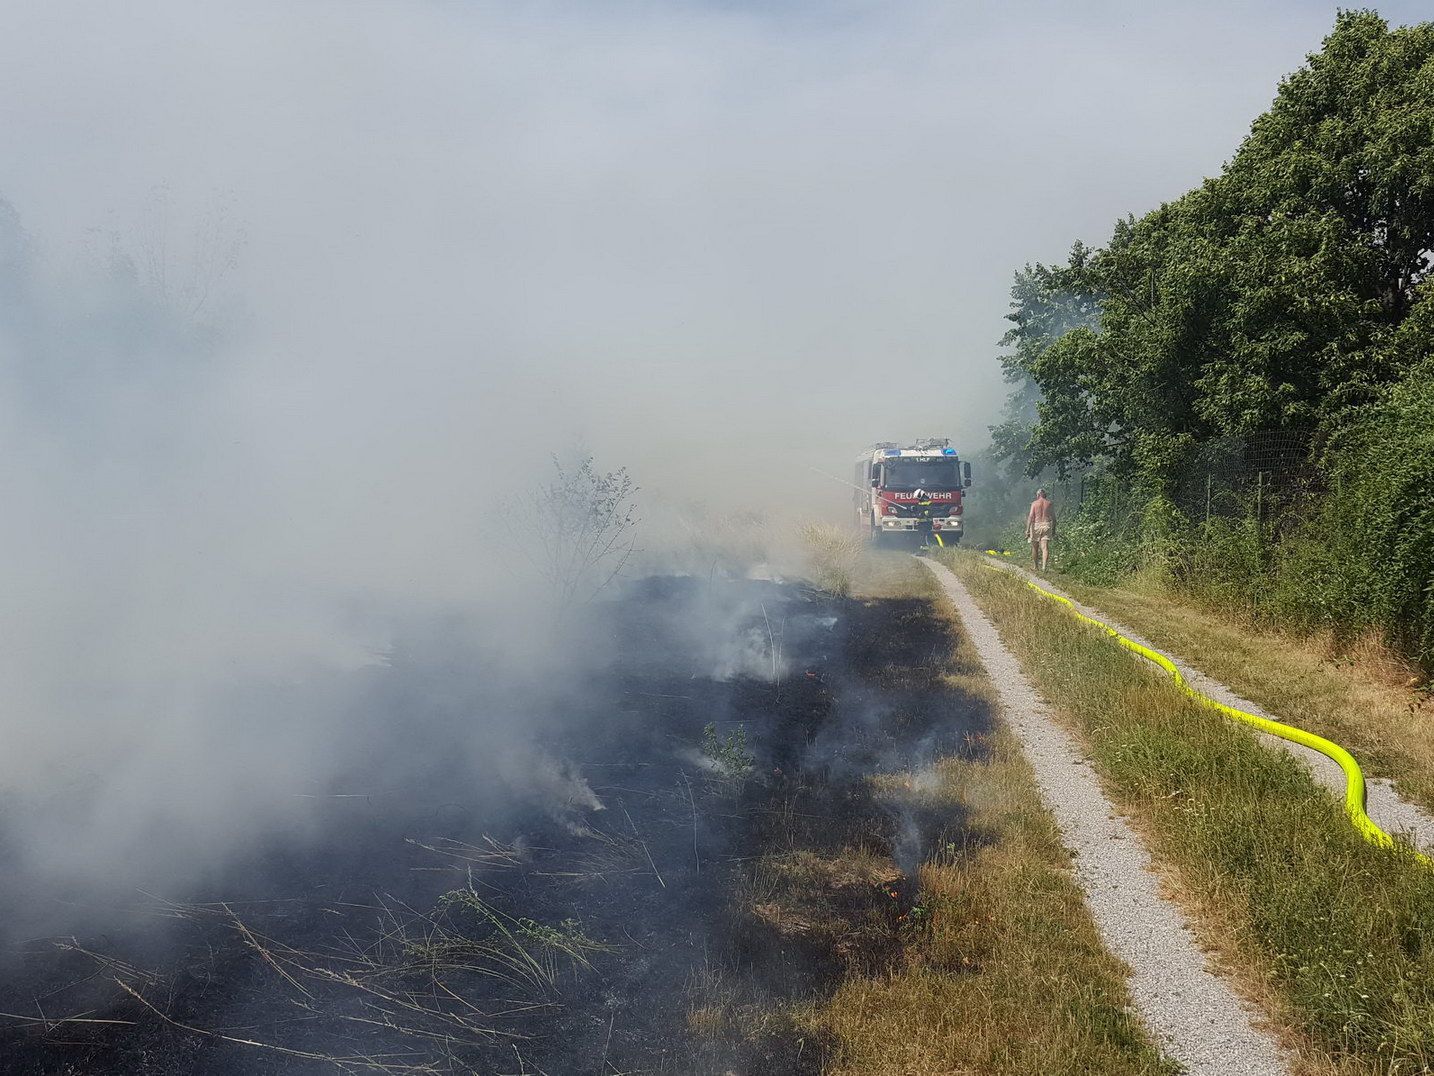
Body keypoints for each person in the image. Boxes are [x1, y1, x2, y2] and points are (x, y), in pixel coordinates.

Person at [1026, 488, 1055, 570]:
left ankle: (1035, 567)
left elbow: (1031, 517)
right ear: (1045, 495)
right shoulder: (1049, 503)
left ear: (1038, 495)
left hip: (1036, 525)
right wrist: (1053, 530)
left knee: (1035, 547)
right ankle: (1044, 567)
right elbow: (1054, 518)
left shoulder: (1034, 503)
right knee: (1045, 547)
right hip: (1046, 525)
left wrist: (1027, 530)